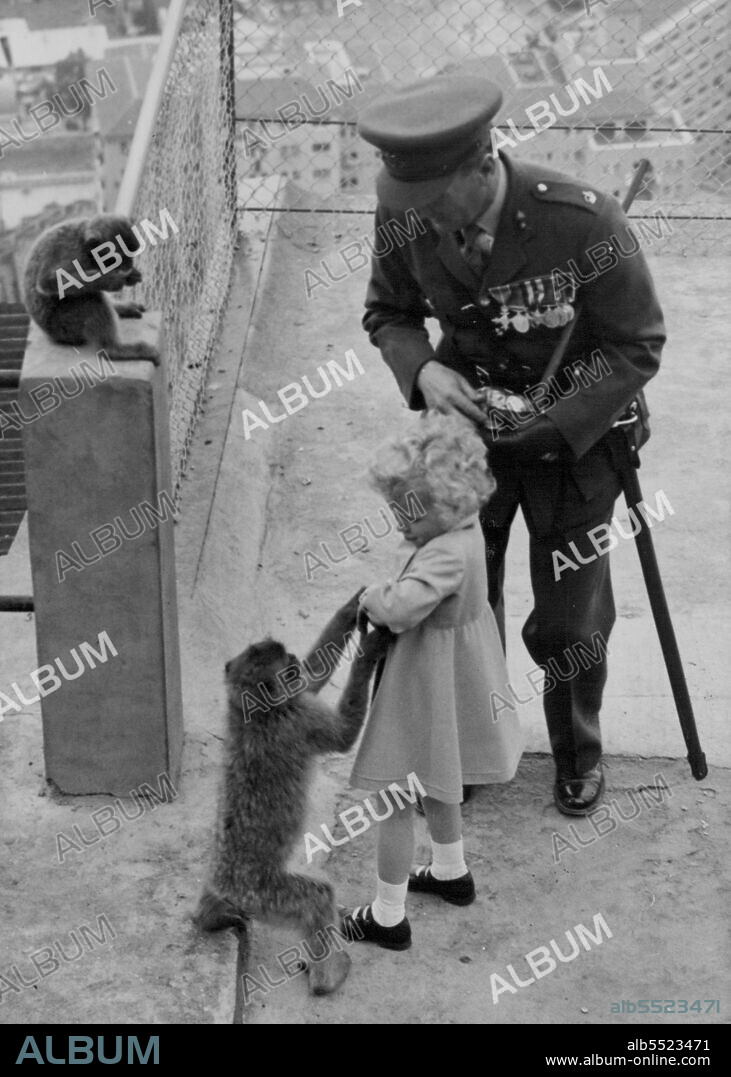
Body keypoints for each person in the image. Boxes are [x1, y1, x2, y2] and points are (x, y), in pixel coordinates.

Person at [355, 75, 666, 816]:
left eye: (433, 200)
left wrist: (557, 424)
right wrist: (424, 368)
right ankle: (471, 746)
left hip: (577, 443)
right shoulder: (406, 212)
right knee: (466, 605)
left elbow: (636, 344)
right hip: (471, 449)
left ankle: (576, 751)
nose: (420, 218)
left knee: (568, 618)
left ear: (480, 165)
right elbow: (386, 313)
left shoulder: (581, 221)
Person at [342, 412, 523, 950]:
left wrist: (372, 596)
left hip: (422, 685)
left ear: (446, 505)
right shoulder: (467, 531)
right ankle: (450, 871)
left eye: (410, 513)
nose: (400, 523)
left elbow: (401, 609)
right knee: (440, 779)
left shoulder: (443, 553)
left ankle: (387, 917)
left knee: (395, 796)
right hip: (454, 678)